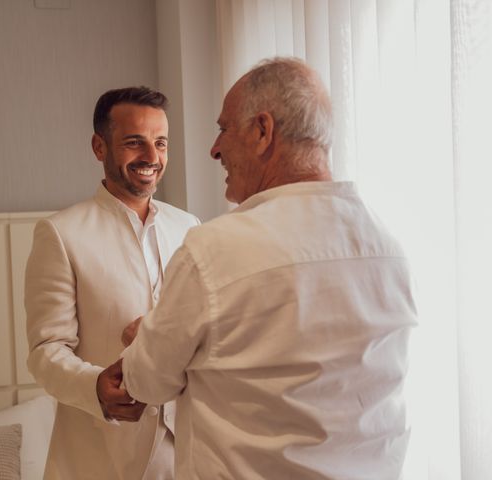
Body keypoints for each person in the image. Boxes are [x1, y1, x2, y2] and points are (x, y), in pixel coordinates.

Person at [100, 57, 417, 479]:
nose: (214, 149)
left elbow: (147, 384)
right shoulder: (388, 247)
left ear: (263, 131)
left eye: (223, 128)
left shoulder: (212, 248)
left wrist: (146, 339)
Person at [25, 86, 200, 480]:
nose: (152, 158)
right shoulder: (60, 233)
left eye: (161, 143)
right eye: (135, 143)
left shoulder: (190, 228)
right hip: (100, 457)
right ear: (99, 147)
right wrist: (94, 387)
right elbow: (45, 350)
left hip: (188, 455)